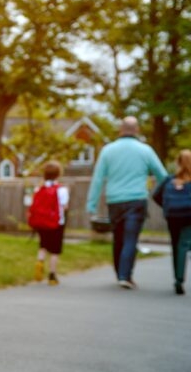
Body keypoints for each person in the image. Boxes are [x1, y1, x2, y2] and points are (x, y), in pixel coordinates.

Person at [85, 116, 167, 289]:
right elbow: (163, 176)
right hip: (136, 200)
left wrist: (91, 204)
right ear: (136, 130)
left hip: (114, 200)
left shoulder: (108, 150)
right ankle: (125, 275)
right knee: (130, 238)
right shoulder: (145, 150)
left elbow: (98, 179)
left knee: (119, 237)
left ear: (120, 130)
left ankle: (119, 273)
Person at [152, 149, 191, 295]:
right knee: (184, 244)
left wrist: (168, 206)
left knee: (176, 246)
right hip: (188, 216)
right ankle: (179, 279)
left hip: (173, 216)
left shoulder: (169, 180)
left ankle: (178, 279)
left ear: (178, 163)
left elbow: (156, 196)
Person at [31, 160, 70, 286]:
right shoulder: (61, 190)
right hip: (56, 223)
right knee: (54, 250)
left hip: (41, 223)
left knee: (43, 245)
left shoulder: (39, 188)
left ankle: (40, 261)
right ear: (58, 174)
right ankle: (52, 275)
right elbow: (64, 206)